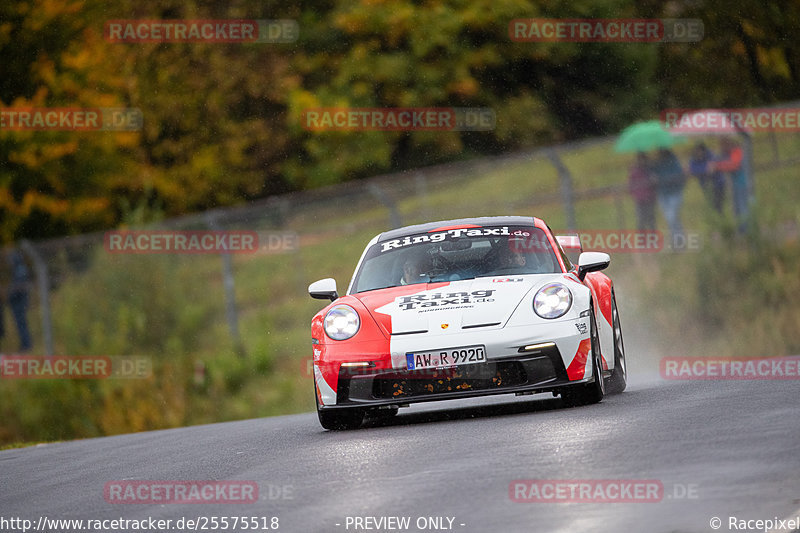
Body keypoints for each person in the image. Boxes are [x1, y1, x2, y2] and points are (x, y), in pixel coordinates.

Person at [651, 148, 687, 245]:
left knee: (672, 217)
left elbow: (677, 175)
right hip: (663, 194)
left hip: (674, 193)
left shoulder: (674, 162)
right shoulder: (657, 163)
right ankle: (678, 240)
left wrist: (662, 179)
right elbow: (652, 172)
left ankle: (678, 240)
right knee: (670, 218)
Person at [713, 137, 749, 233]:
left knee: (742, 207)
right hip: (735, 185)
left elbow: (734, 165)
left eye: (723, 145)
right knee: (736, 209)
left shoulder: (737, 151)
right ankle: (741, 231)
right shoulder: (727, 154)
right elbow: (717, 160)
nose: (722, 147)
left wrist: (718, 166)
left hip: (742, 184)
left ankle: (746, 231)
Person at [688, 142, 725, 213]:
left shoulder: (711, 156)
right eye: (696, 151)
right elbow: (691, 170)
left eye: (699, 151)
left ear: (703, 150)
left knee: (718, 206)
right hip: (705, 185)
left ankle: (720, 221)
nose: (697, 153)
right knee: (710, 204)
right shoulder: (693, 159)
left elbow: (712, 169)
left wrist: (699, 171)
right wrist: (704, 170)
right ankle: (714, 220)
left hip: (718, 184)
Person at [7, 250, 32, 352]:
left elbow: (19, 287)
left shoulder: (21, 270)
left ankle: (26, 345)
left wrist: (10, 295)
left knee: (22, 324)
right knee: (20, 324)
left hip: (20, 302)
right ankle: (25, 344)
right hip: (18, 302)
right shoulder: (18, 270)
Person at [628, 152, 656, 230]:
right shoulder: (634, 171)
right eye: (640, 159)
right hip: (639, 199)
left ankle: (653, 239)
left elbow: (654, 183)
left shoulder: (650, 169)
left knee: (651, 220)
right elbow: (631, 184)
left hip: (650, 198)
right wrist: (635, 194)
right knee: (640, 220)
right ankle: (642, 240)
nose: (642, 161)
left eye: (644, 159)